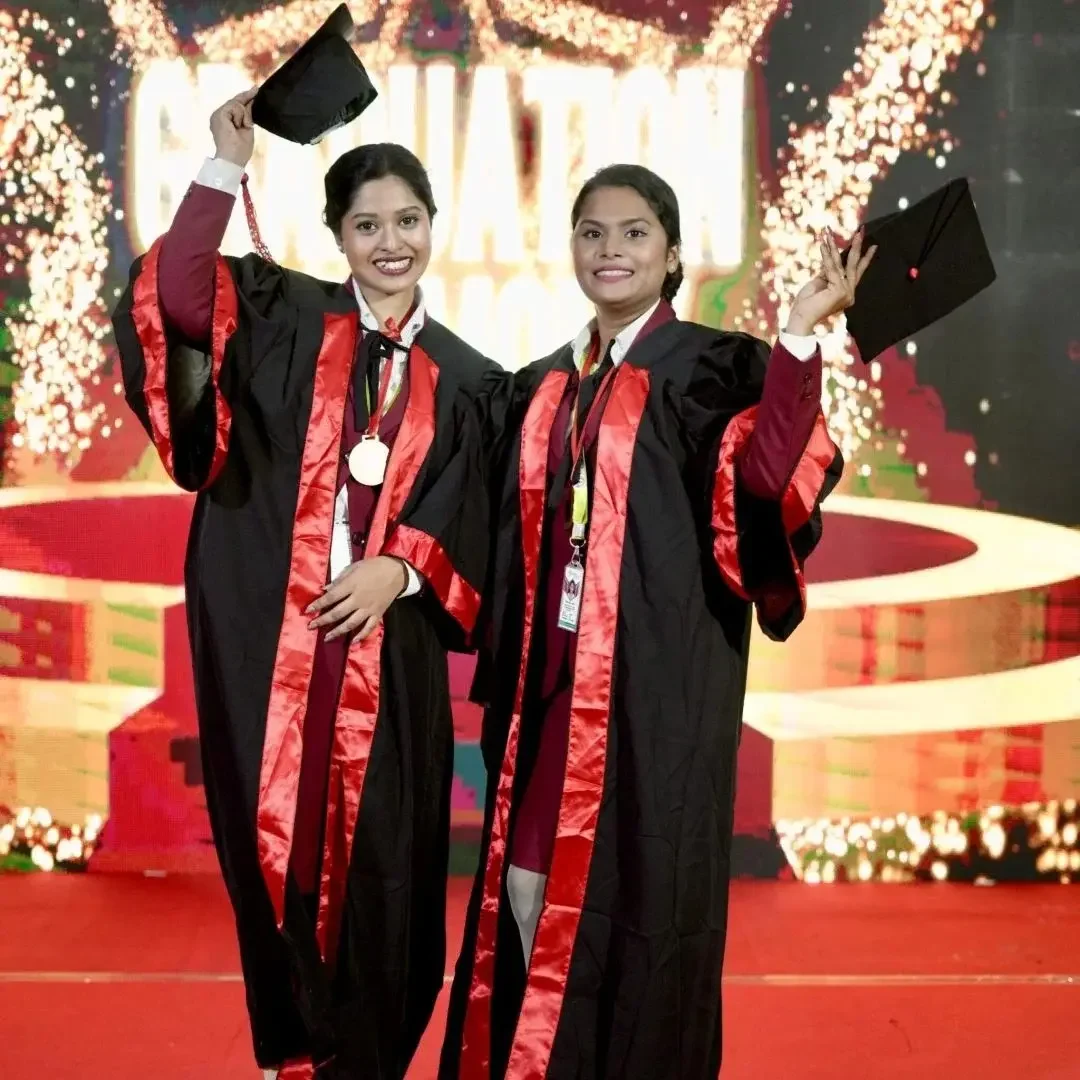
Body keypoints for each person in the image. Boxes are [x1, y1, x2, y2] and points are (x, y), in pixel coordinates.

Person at [440, 164, 875, 1079]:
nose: (611, 250)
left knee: (640, 911)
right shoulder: (545, 384)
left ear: (672, 254)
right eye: (593, 233)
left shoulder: (712, 368)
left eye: (634, 234)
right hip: (548, 687)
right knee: (527, 890)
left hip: (655, 698)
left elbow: (764, 482)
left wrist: (795, 334)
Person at [112, 90, 494, 1079]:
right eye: (366, 224)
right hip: (270, 654)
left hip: (388, 669)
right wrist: (221, 169)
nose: (390, 242)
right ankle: (302, 1056)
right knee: (275, 857)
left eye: (406, 220)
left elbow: (487, 519)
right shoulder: (284, 319)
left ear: (432, 226)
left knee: (384, 878)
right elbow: (180, 300)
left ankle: (365, 1058)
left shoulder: (473, 381)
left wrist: (404, 567)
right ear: (337, 235)